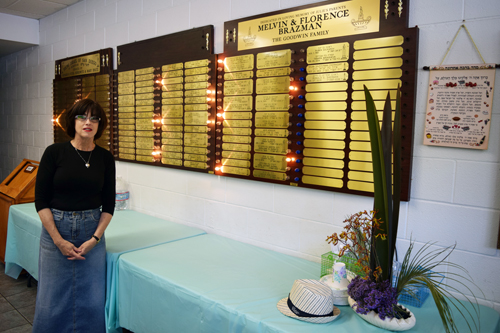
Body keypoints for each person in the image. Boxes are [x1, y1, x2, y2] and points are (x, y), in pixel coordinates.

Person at [33, 99, 115, 333]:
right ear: (73, 121)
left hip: (92, 230)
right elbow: (41, 201)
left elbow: (109, 205)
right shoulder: (54, 152)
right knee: (52, 298)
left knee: (92, 298)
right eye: (82, 117)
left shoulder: (105, 158)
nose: (88, 122)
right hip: (56, 229)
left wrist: (95, 239)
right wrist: (58, 240)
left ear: (100, 124)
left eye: (94, 118)